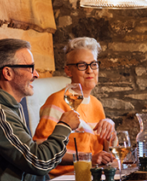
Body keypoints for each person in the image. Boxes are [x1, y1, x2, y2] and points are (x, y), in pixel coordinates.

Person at [0, 38, 80, 181]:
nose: (36, 74)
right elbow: (40, 162)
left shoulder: (7, 105)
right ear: (8, 73)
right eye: (30, 68)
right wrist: (65, 126)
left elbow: (27, 150)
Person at [34, 37, 117, 173]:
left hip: (94, 175)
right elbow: (42, 150)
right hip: (65, 180)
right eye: (82, 65)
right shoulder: (57, 101)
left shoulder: (97, 104)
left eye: (94, 64)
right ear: (68, 71)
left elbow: (106, 152)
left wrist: (110, 129)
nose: (90, 71)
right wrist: (88, 158)